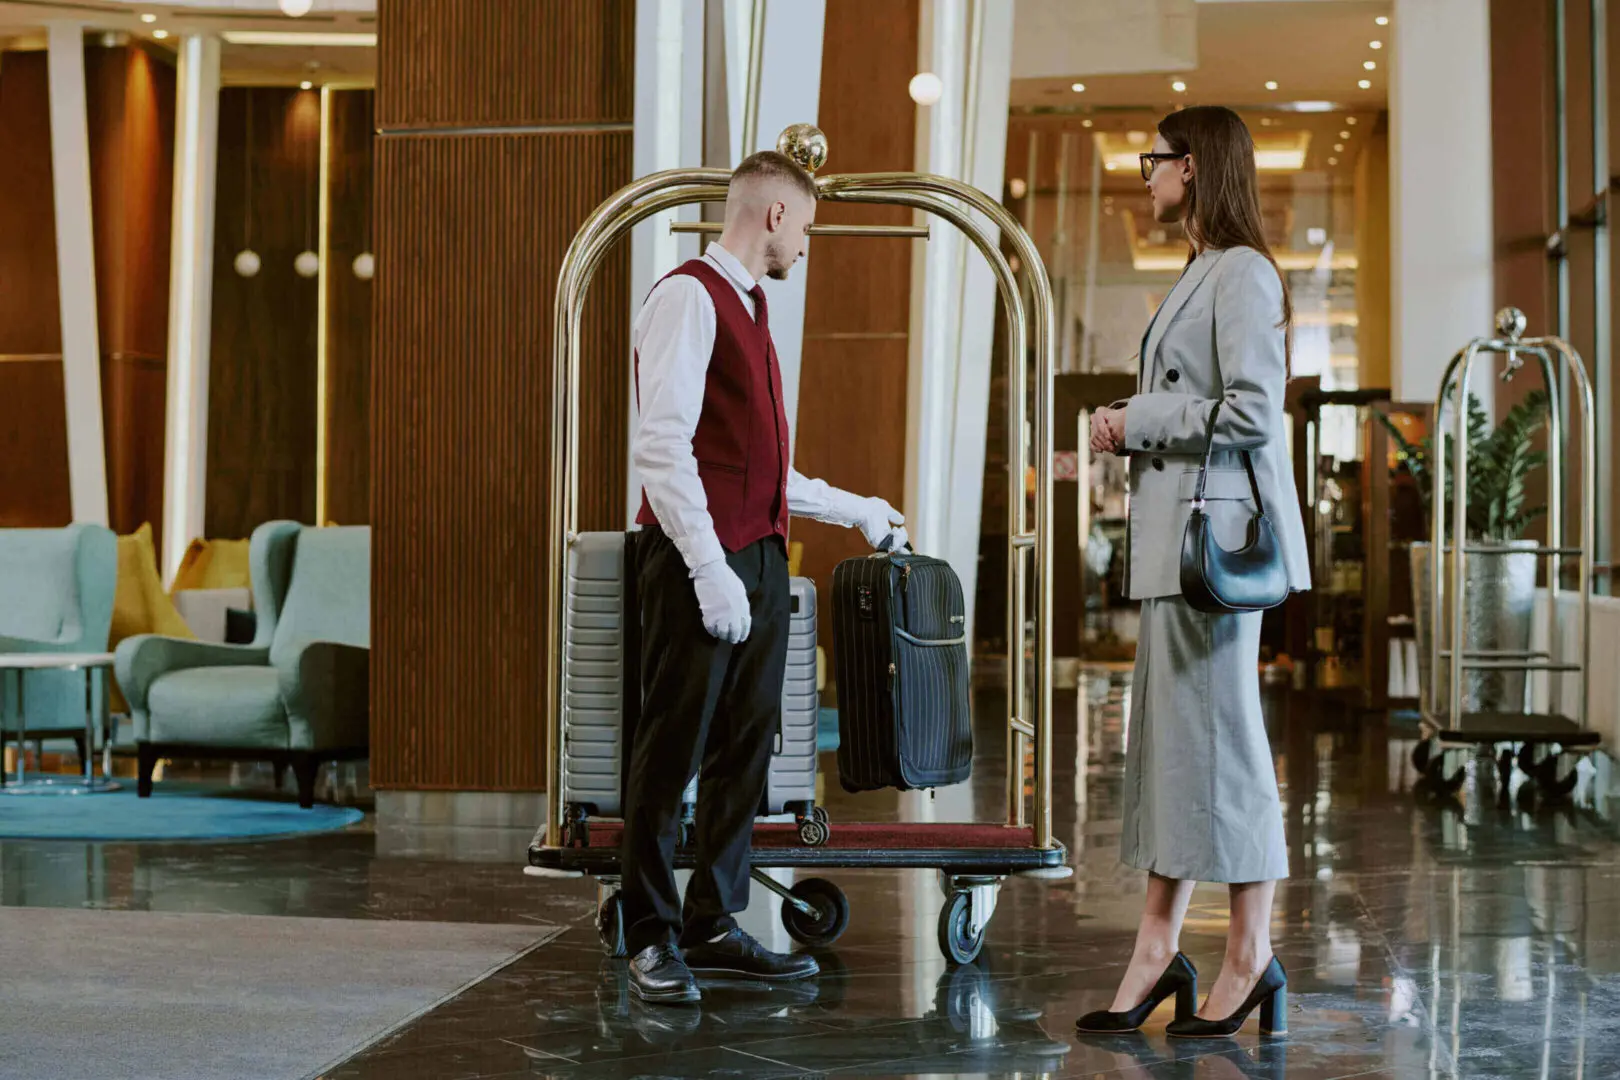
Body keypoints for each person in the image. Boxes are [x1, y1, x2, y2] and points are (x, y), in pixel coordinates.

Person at [621, 150, 908, 1005]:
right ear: (775, 215)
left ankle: (711, 922)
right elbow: (662, 446)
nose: (806, 248)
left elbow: (760, 465)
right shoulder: (687, 297)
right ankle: (648, 936)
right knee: (668, 752)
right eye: (808, 229)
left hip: (755, 557)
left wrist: (851, 505)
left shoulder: (751, 309)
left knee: (746, 746)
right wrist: (708, 569)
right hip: (691, 556)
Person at [1077, 105, 1311, 1039]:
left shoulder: (1244, 273)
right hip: (1179, 553)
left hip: (1213, 554)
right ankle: (1156, 947)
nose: (1146, 172)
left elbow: (1254, 411)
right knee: (1173, 753)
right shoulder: (1205, 270)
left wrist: (1140, 420)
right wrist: (1132, 416)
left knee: (1230, 748)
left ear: (1198, 166)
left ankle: (1250, 951)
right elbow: (1199, 401)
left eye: (1158, 158)